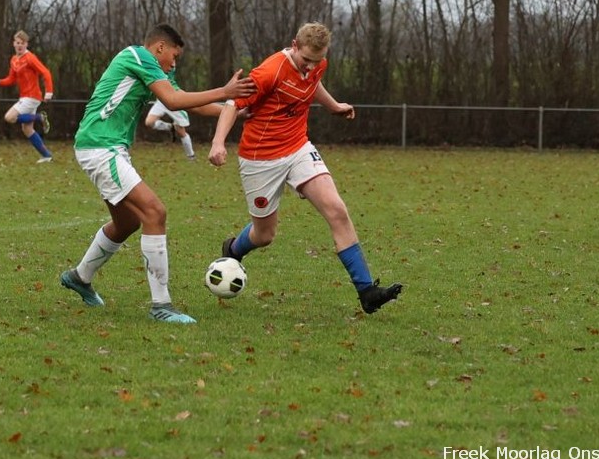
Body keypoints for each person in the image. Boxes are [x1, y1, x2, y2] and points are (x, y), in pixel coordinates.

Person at [61, 23, 256, 324]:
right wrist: (225, 91)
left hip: (108, 148)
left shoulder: (155, 69)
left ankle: (79, 277)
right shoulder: (137, 56)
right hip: (100, 146)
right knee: (155, 212)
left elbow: (184, 101)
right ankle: (161, 305)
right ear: (160, 47)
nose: (174, 64)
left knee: (126, 223)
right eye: (174, 57)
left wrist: (233, 112)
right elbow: (173, 101)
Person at [207, 21, 403, 315]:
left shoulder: (317, 64)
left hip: (298, 147)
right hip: (260, 158)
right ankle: (234, 249)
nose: (311, 66)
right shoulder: (270, 71)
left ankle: (367, 291)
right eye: (306, 60)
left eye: (317, 60)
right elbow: (233, 104)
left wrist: (334, 106)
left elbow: (313, 84)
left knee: (337, 210)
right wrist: (218, 142)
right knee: (264, 235)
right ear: (294, 46)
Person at [0, 30, 54, 163]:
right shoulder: (14, 60)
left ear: (26, 44)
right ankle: (46, 155)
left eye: (22, 43)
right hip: (25, 97)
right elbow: (11, 79)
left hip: (32, 96)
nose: (19, 45)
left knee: (9, 117)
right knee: (27, 129)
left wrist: (49, 92)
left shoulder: (30, 58)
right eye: (17, 43)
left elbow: (45, 72)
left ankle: (40, 117)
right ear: (13, 43)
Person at [145, 90, 197, 161]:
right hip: (161, 102)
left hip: (173, 101)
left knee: (181, 132)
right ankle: (171, 127)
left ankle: (191, 156)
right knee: (149, 122)